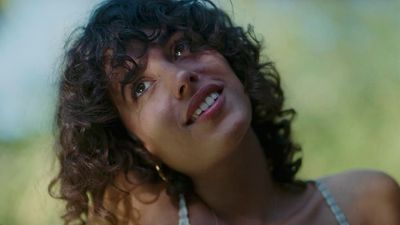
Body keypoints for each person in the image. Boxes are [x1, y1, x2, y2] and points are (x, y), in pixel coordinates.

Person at [49, 0, 400, 224]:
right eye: (140, 86)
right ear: (138, 144)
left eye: (180, 47)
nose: (180, 75)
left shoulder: (369, 200)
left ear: (230, 60)